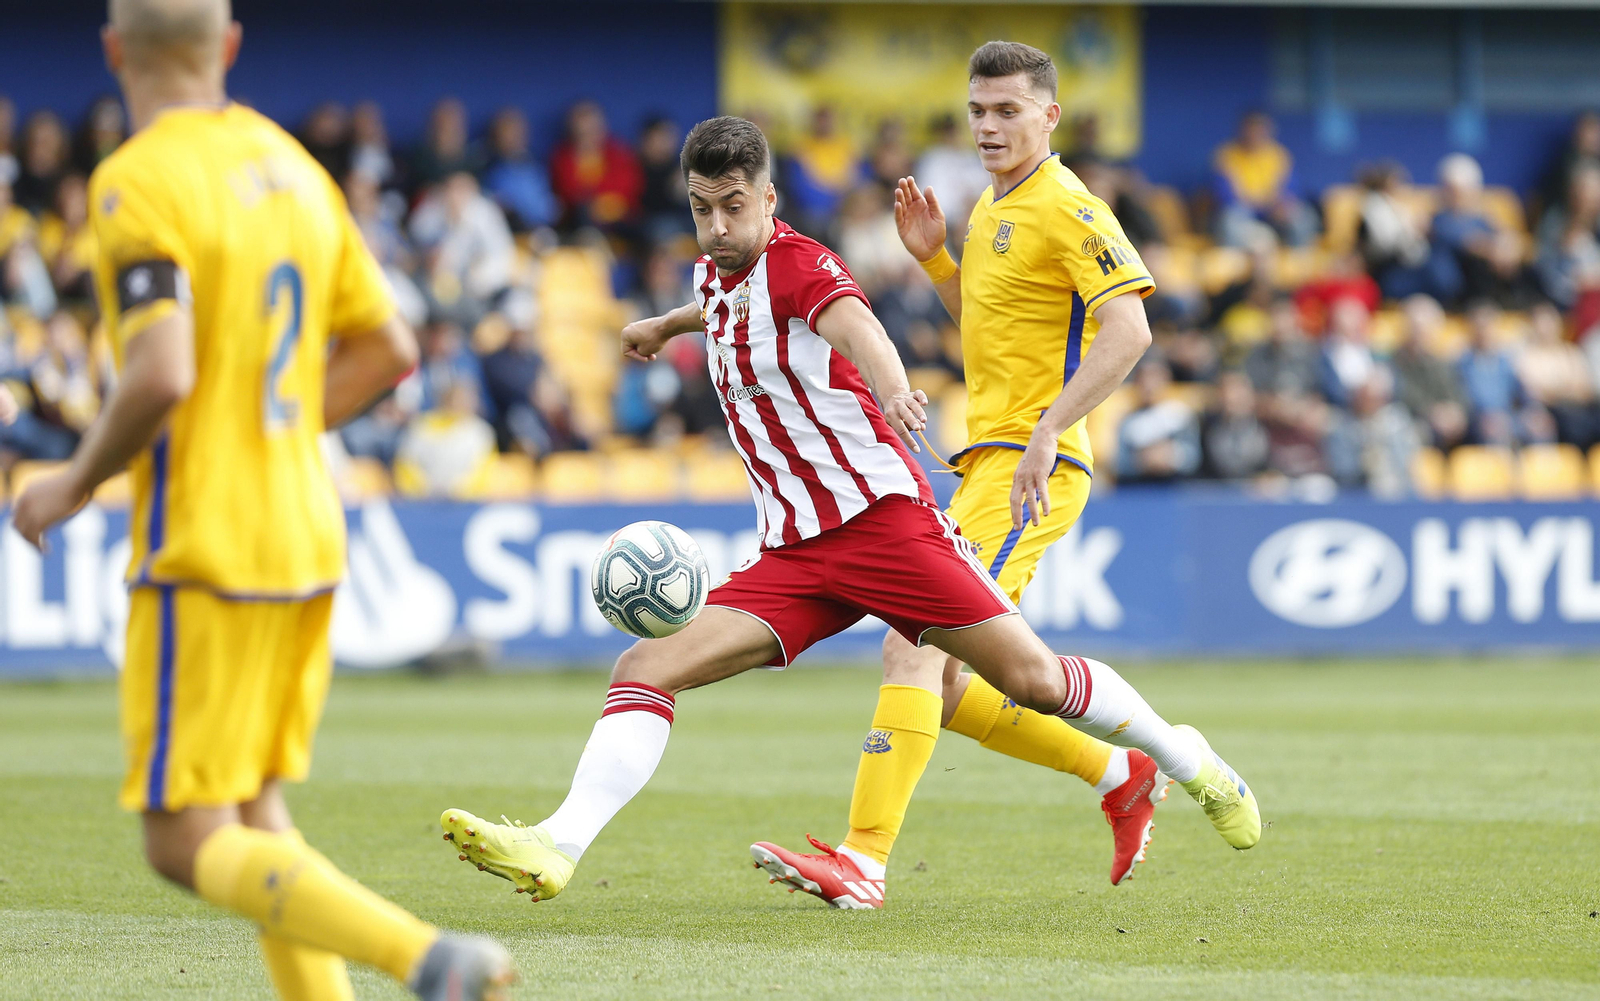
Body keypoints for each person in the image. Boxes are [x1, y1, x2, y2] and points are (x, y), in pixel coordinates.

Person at [435, 116, 1259, 910]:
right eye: (701, 208)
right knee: (642, 667)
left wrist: (895, 387)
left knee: (1033, 680)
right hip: (795, 552)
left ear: (768, 198)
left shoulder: (803, 264)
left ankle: (1182, 755)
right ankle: (558, 842)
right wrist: (667, 325)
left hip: (882, 525)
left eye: (733, 207)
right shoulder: (712, 276)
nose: (716, 227)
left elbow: (858, 325)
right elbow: (725, 308)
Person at [8, 3, 513, 998]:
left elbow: (160, 370)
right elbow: (391, 347)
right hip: (306, 531)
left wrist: (73, 479)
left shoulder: (138, 179)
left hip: (208, 541)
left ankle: (423, 956)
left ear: (112, 51)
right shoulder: (294, 168)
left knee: (181, 838)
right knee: (256, 815)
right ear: (230, 46)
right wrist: (270, 427)